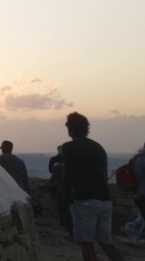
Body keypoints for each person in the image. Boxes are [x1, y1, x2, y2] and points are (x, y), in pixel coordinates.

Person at [58, 112, 125, 261]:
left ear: (70, 129)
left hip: (84, 200)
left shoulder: (68, 147)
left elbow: (67, 174)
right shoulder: (98, 147)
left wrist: (66, 197)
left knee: (86, 244)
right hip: (104, 199)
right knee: (106, 243)